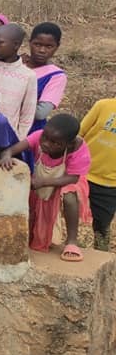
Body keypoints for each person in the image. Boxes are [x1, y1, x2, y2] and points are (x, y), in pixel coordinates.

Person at [0, 114, 92, 260]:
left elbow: (73, 178)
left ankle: (72, 241)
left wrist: (44, 182)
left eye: (55, 143)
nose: (46, 144)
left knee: (69, 195)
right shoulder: (39, 137)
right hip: (41, 181)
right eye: (45, 138)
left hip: (67, 182)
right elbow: (11, 150)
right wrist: (6, 156)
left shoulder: (78, 150)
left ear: (68, 144)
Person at [80, 98, 116, 251]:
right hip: (81, 175)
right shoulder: (103, 105)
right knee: (69, 220)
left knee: (101, 228)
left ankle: (101, 258)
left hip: (110, 184)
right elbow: (79, 134)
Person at [25, 22, 67, 134]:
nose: (42, 50)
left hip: (30, 133)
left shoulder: (56, 76)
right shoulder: (16, 63)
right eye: (37, 44)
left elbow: (41, 113)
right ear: (30, 43)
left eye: (49, 46)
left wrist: (9, 102)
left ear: (57, 47)